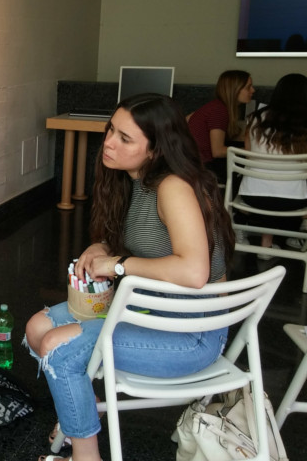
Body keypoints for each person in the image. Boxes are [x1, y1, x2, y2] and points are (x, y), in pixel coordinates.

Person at [24, 93, 233, 461]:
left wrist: (118, 264)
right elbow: (146, 238)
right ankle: (84, 408)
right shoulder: (136, 179)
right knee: (36, 328)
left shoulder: (173, 187)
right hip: (147, 312)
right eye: (111, 130)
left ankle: (86, 457)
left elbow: (193, 271)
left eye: (125, 138)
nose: (108, 142)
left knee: (58, 348)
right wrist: (103, 246)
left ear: (155, 150)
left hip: (190, 334)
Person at [238, 73, 307, 258]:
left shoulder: (255, 119)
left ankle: (265, 246)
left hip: (253, 198)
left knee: (267, 180)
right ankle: (301, 237)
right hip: (295, 202)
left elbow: (249, 155)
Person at [187, 70, 255, 183]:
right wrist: (245, 151)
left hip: (197, 161)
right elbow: (217, 151)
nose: (253, 90)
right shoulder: (219, 110)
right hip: (204, 166)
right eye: (248, 87)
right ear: (235, 90)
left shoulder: (217, 106)